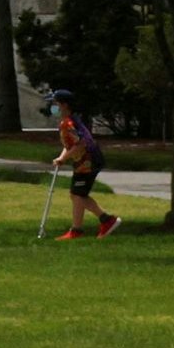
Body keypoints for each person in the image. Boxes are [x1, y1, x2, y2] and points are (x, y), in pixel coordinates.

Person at [47, 90, 118, 240]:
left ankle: (101, 222)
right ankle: (83, 227)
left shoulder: (68, 123)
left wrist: (64, 158)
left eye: (55, 103)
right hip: (83, 161)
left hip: (88, 161)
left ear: (64, 105)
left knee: (78, 195)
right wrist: (61, 157)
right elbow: (70, 144)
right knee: (76, 194)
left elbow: (81, 144)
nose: (53, 107)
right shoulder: (68, 121)